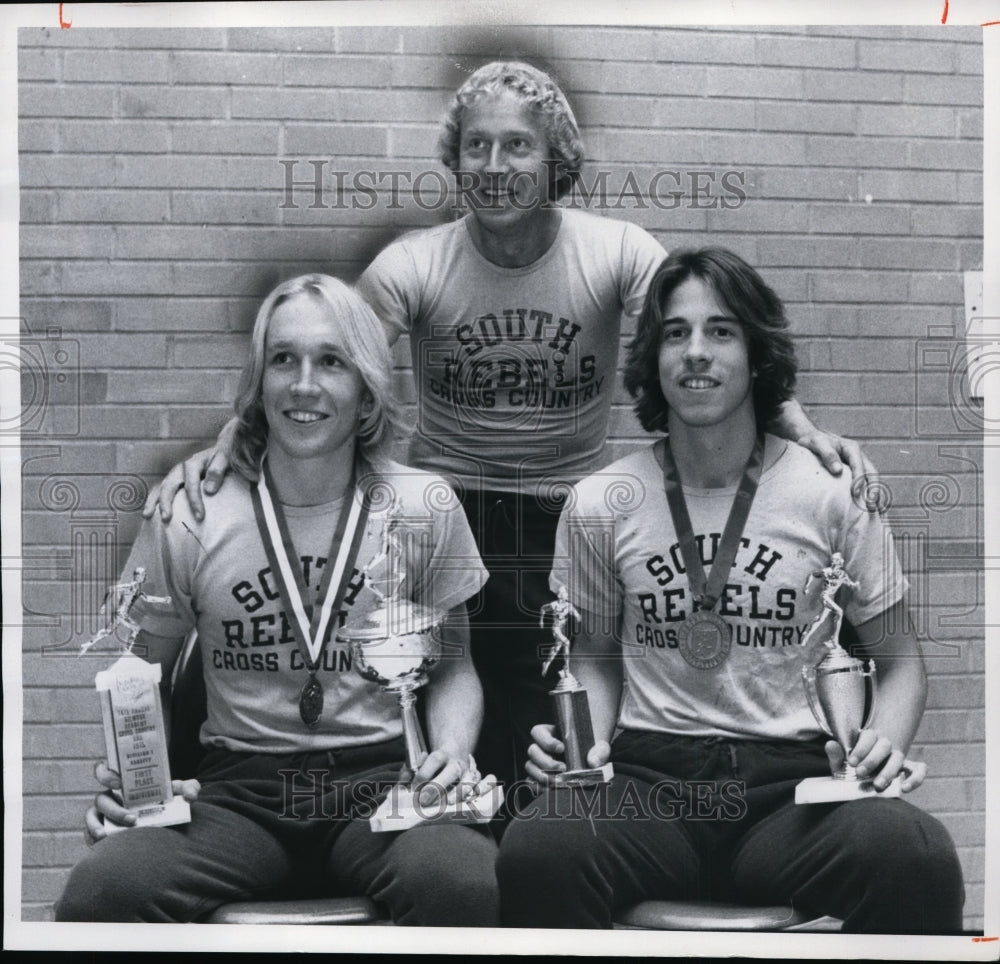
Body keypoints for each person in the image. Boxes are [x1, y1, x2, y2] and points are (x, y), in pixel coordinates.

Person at [142, 62, 874, 803]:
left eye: (518, 146)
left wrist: (798, 426)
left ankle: (527, 878)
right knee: (428, 720)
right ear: (454, 159)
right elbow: (330, 361)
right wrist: (231, 443)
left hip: (561, 520)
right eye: (477, 146)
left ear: (557, 158)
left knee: (539, 744)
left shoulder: (613, 251)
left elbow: (700, 334)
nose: (495, 167)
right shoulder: (414, 264)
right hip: (444, 511)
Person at [494, 247, 964, 933]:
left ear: (755, 353)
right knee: (538, 848)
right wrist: (579, 746)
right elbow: (593, 657)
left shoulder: (831, 493)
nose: (696, 352)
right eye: (676, 334)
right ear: (654, 360)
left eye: (721, 331)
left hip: (793, 790)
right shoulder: (602, 501)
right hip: (646, 782)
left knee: (915, 855)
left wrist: (880, 749)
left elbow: (901, 663)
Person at [56, 274, 499, 925]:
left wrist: (451, 756)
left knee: (464, 884)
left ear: (366, 387)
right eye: (283, 358)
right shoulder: (191, 511)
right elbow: (138, 676)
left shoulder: (422, 507)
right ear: (259, 382)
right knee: (104, 888)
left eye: (331, 361)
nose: (304, 384)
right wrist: (137, 781)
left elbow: (455, 667)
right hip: (238, 795)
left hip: (380, 786)